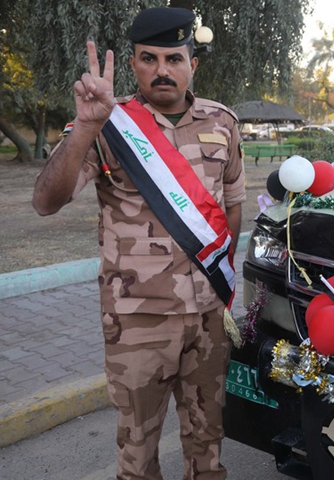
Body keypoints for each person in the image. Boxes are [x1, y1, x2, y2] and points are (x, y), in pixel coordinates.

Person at [32, 7, 245, 480]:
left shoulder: (224, 122)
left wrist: (222, 283)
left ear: (194, 64)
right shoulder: (111, 126)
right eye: (149, 58)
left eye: (174, 58)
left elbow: (231, 208)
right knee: (138, 450)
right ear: (132, 64)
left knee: (207, 442)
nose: (162, 70)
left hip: (208, 317)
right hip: (138, 322)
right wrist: (86, 125)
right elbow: (47, 201)